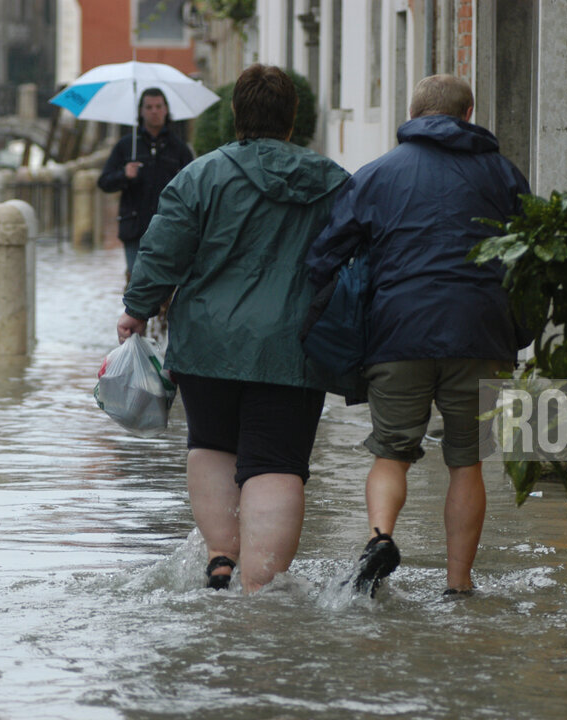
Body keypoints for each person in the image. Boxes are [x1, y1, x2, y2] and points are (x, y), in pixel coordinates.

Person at [116, 64, 349, 593]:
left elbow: (162, 250)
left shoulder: (200, 176)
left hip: (206, 346)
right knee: (276, 462)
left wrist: (136, 309)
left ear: (235, 117)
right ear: (292, 118)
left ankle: (221, 558)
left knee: (213, 444)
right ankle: (261, 589)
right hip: (294, 347)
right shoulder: (333, 180)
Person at [306, 74, 531, 598]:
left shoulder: (378, 173)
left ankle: (381, 539)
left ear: (412, 114)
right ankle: (459, 583)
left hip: (397, 333)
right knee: (467, 461)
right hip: (481, 334)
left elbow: (324, 256)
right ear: (468, 113)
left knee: (391, 453)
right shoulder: (503, 174)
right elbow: (533, 254)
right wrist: (516, 330)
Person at [98, 87, 194, 278]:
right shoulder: (126, 146)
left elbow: (193, 188)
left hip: (169, 228)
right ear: (141, 111)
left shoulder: (179, 148)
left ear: (166, 110)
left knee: (166, 284)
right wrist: (124, 175)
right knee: (137, 282)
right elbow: (104, 182)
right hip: (134, 227)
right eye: (149, 107)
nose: (154, 111)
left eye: (158, 106)